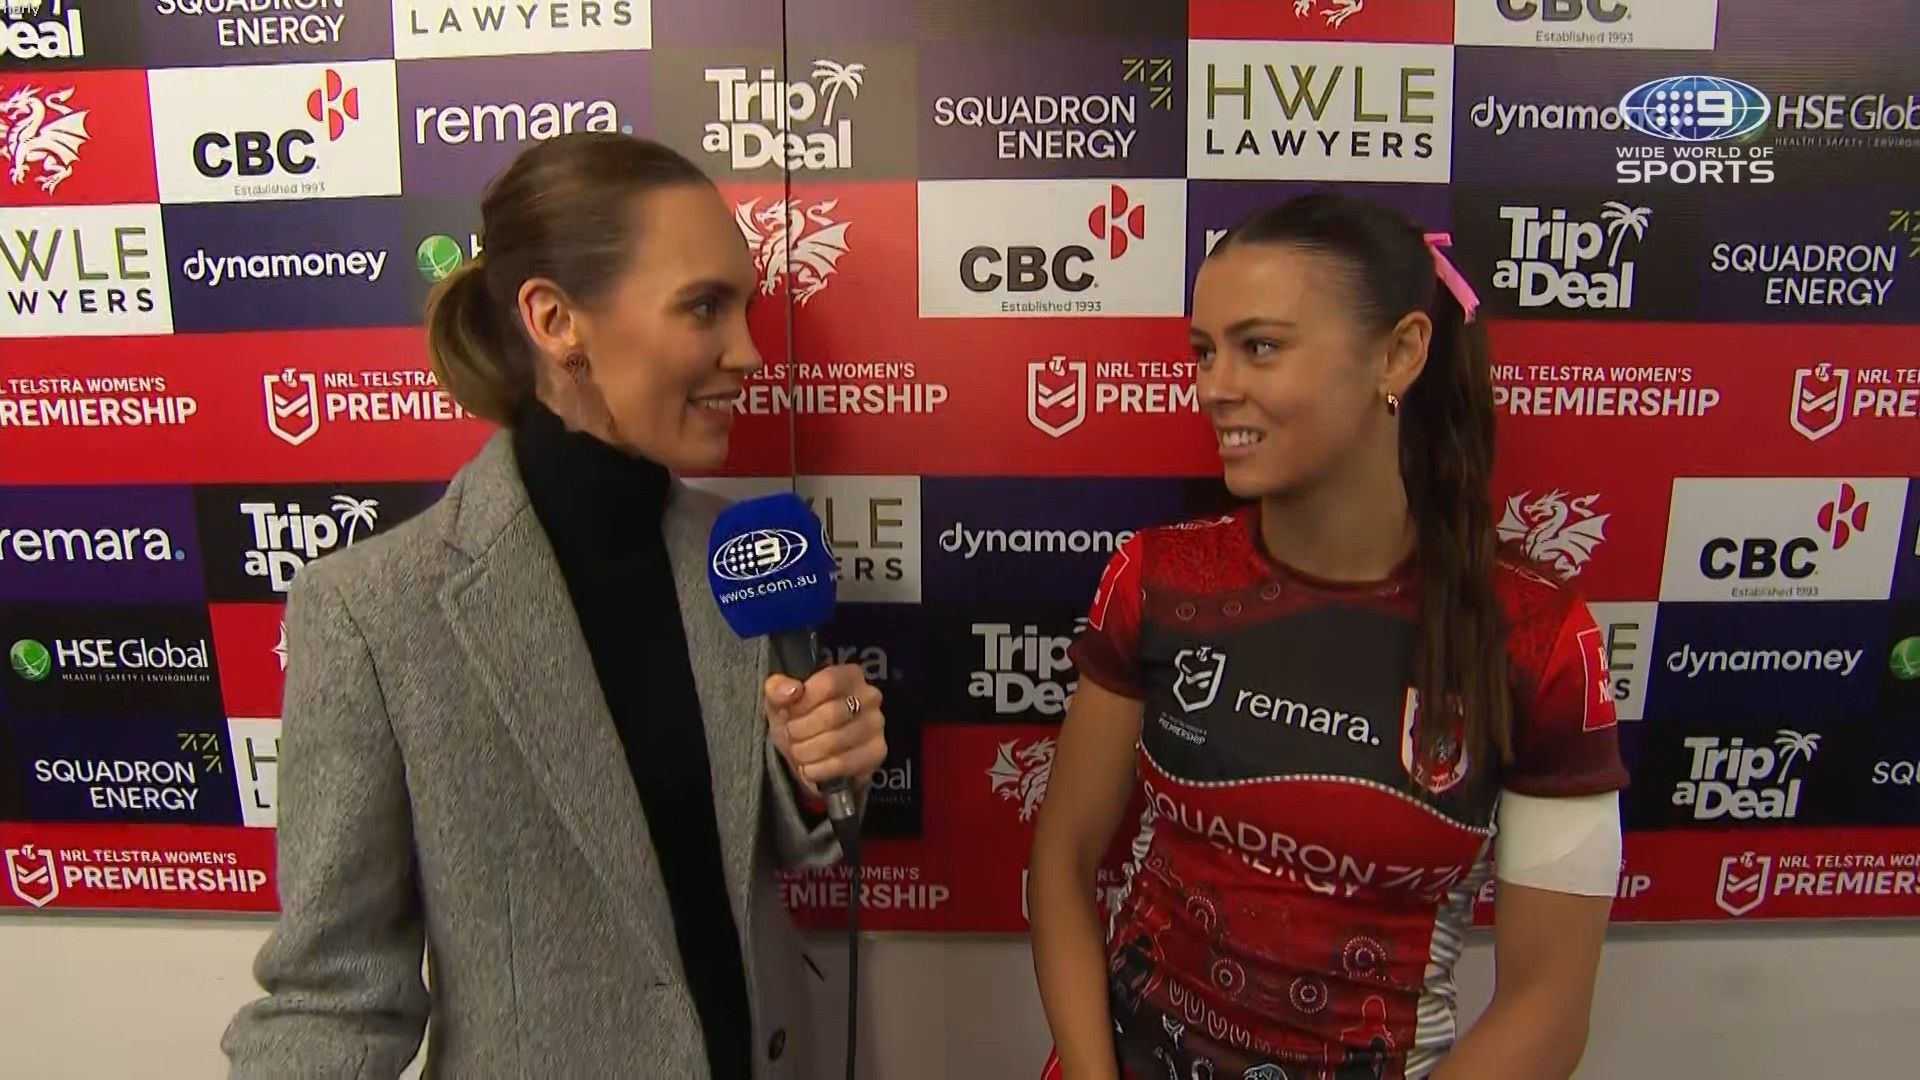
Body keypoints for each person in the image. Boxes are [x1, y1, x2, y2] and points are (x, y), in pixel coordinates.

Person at [220, 132, 887, 1079]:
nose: (748, 353)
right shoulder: (372, 613)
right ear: (555, 319)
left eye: (745, 309)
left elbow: (748, 858)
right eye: (705, 307)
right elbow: (333, 1000)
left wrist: (816, 766)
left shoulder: (739, 555)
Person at [1027, 192, 1628, 1080]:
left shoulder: (1537, 639)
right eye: (1204, 351)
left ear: (1400, 353)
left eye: (1261, 347)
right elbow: (1063, 859)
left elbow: (1547, 1011)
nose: (1215, 386)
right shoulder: (1157, 578)